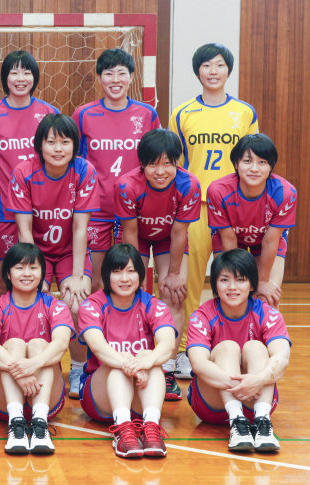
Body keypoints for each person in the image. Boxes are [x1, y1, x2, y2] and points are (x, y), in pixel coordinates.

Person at [169, 43, 259, 379]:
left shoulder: (245, 113)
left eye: (219, 65)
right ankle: (182, 351)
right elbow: (174, 165)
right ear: (198, 71)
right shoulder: (182, 113)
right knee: (188, 283)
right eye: (206, 65)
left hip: (233, 208)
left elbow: (253, 161)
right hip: (195, 209)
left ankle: (230, 346)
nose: (213, 71)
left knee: (232, 280)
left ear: (228, 70)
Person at [8, 114, 99, 399]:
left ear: (75, 145)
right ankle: (43, 365)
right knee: (36, 303)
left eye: (65, 142)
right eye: (51, 142)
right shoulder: (24, 172)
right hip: (36, 252)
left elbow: (81, 228)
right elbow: (24, 230)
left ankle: (79, 370)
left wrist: (77, 276)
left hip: (71, 251)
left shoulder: (84, 170)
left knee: (76, 302)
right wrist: (31, 272)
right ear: (39, 145)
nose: (58, 148)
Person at [114, 128, 202, 400]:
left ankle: (166, 368)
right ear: (142, 164)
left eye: (168, 163)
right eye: (153, 164)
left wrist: (173, 274)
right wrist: (137, 275)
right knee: (132, 293)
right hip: (136, 239)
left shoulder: (189, 184)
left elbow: (179, 232)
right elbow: (130, 232)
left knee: (174, 295)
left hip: (168, 239)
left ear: (178, 162)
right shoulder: (127, 185)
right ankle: (133, 363)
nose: (161, 171)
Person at [0, 50, 60, 301]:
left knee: (40, 284)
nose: (21, 78)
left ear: (35, 77)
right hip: (4, 213)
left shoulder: (49, 114)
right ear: (4, 77)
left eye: (27, 72)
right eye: (14, 72)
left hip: (43, 212)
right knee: (1, 285)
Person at [72, 48, 161, 295]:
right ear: (99, 77)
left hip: (134, 211)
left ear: (131, 77)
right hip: (95, 209)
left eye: (122, 73)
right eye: (109, 73)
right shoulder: (83, 114)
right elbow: (73, 162)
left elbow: (157, 159)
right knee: (95, 283)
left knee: (131, 281)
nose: (115, 79)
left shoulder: (147, 114)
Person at [77, 243, 176, 458]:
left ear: (140, 274)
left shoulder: (153, 305)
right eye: (117, 271)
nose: (124, 278)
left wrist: (146, 361)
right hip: (100, 396)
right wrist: (132, 364)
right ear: (106, 274)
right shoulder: (92, 305)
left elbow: (168, 343)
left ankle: (151, 427)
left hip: (139, 393)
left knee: (151, 356)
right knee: (119, 363)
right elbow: (98, 347)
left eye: (131, 271)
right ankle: (122, 429)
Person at [186, 249, 290, 452]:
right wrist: (241, 385)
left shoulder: (267, 314)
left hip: (255, 400)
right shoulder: (202, 315)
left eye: (240, 280)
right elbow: (198, 364)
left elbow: (282, 357)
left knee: (255, 347)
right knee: (228, 347)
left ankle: (263, 422)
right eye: (224, 280)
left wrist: (258, 380)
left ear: (252, 284)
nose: (232, 287)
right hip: (212, 405)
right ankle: (236, 421)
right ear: (215, 284)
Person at [0, 243, 74, 455]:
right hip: (3, 401)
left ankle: (40, 423)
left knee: (39, 345)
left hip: (47, 397)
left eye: (33, 267)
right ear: (8, 273)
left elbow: (61, 345)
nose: (27, 273)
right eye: (20, 268)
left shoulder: (55, 306)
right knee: (14, 344)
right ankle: (16, 423)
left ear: (42, 272)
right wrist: (21, 373)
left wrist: (32, 365)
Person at [207, 134, 296, 308]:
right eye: (247, 161)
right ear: (236, 164)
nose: (254, 168)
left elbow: (270, 241)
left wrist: (262, 282)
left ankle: (268, 326)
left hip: (266, 239)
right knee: (232, 294)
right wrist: (237, 281)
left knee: (268, 297)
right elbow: (229, 239)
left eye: (262, 162)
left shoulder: (285, 193)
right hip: (231, 239)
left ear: (271, 167)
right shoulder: (218, 191)